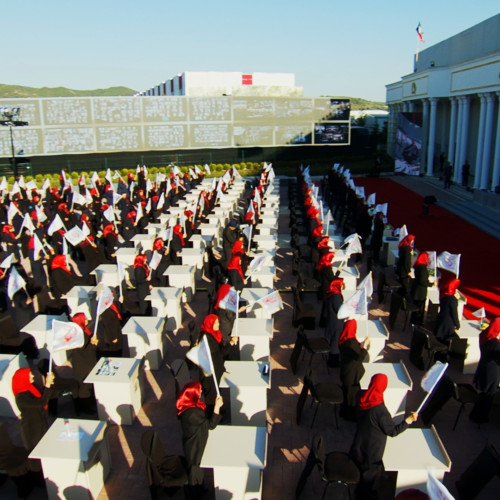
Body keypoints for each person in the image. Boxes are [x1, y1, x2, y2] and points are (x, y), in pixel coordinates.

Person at [349, 373, 418, 499]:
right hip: (373, 449)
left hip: (360, 442)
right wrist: (408, 420)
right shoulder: (380, 411)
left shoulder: (361, 395)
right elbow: (392, 431)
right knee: (370, 476)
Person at [176, 381, 223, 496]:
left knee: (198, 470)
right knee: (195, 471)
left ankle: (200, 489)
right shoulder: (193, 413)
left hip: (194, 443)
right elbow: (211, 425)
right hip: (194, 447)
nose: (201, 391)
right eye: (199, 390)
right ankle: (195, 494)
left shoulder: (189, 407)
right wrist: (217, 407)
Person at [12, 367, 56, 452]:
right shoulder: (21, 398)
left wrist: (49, 384)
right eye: (30, 375)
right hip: (32, 431)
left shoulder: (30, 388)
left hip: (40, 424)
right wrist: (47, 384)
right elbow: (42, 402)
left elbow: (43, 397)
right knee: (37, 453)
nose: (33, 376)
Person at [199, 314, 238, 406]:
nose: (218, 325)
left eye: (217, 322)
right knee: (212, 396)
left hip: (215, 368)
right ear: (210, 324)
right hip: (210, 373)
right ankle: (213, 414)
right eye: (215, 323)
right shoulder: (207, 339)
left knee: (216, 392)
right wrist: (231, 343)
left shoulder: (213, 334)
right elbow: (220, 354)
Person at [338, 317, 370, 421]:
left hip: (347, 372)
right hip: (351, 375)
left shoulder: (346, 339)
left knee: (347, 393)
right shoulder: (350, 342)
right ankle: (349, 416)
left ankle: (344, 411)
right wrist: (364, 347)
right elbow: (359, 358)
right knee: (351, 397)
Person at [469, 317, 500, 424]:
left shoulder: (485, 337)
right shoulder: (494, 344)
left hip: (484, 368)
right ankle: (481, 417)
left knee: (483, 394)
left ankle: (475, 414)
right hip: (492, 372)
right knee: (488, 395)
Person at [434, 276, 460, 345]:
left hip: (441, 318)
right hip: (448, 324)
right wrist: (457, 324)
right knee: (445, 344)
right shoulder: (452, 300)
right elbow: (454, 313)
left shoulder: (443, 294)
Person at [410, 251, 432, 325]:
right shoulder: (423, 268)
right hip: (420, 293)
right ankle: (418, 322)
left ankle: (413, 321)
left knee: (416, 307)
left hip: (417, 290)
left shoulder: (418, 266)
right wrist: (430, 284)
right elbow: (423, 281)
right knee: (419, 308)